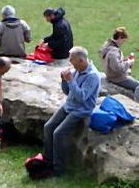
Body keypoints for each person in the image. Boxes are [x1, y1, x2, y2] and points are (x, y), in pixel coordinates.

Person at [42, 46, 101, 176]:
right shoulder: (76, 71)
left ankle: (59, 169)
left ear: (81, 60)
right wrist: (64, 81)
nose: (70, 62)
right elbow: (68, 92)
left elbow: (82, 97)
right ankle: (47, 160)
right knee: (48, 127)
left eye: (72, 59)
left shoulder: (93, 76)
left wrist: (71, 80)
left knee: (58, 133)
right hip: (69, 105)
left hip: (81, 110)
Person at [99, 26, 138, 91]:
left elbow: (112, 62)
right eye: (123, 41)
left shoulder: (107, 46)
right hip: (117, 78)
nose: (123, 43)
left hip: (110, 74)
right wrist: (129, 62)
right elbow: (118, 68)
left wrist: (124, 60)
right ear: (120, 38)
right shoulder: (114, 52)